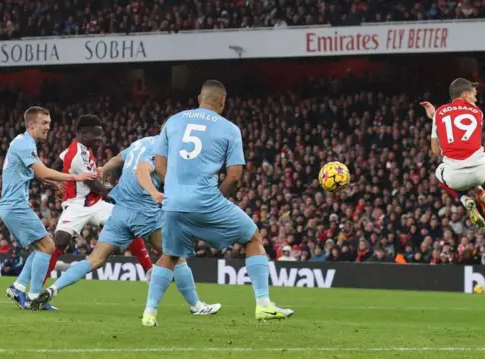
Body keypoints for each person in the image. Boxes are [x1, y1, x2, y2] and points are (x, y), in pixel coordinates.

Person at [142, 80, 294, 327]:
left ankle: (150, 312)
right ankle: (264, 305)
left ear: (198, 97)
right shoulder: (230, 129)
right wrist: (217, 199)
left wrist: (173, 191)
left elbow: (159, 165)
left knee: (169, 255)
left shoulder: (173, 120)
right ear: (223, 101)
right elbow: (234, 176)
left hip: (173, 201)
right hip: (205, 200)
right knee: (252, 237)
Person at [34, 135, 221, 316]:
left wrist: (102, 170)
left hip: (120, 210)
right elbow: (141, 171)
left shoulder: (142, 142)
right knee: (175, 256)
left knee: (95, 259)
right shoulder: (161, 150)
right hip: (144, 212)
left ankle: (52, 290)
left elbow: (117, 159)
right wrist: (154, 193)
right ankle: (196, 306)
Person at [1, 106, 99, 310]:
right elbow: (42, 172)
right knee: (47, 246)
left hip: (14, 205)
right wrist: (76, 176)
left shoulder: (24, 143)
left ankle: (18, 287)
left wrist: (55, 184)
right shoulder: (24, 143)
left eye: (49, 122)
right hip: (14, 205)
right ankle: (34, 297)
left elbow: (35, 174)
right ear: (31, 124)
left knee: (42, 246)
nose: (49, 126)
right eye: (44, 123)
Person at [43, 115, 153, 285]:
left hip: (95, 203)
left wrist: (59, 183)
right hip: (77, 205)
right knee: (60, 241)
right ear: (83, 134)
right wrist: (119, 188)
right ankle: (38, 288)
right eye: (97, 135)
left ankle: (149, 270)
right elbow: (97, 187)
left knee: (127, 223)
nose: (100, 139)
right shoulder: (78, 155)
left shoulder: (79, 150)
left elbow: (60, 161)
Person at [420, 78, 485, 229]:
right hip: (481, 172)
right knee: (472, 162)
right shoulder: (478, 113)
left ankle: (465, 200)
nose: (476, 97)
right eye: (474, 94)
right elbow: (463, 119)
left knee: (439, 171)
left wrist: (434, 118)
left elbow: (435, 151)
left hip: (455, 177)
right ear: (465, 95)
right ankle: (481, 191)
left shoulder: (439, 113)